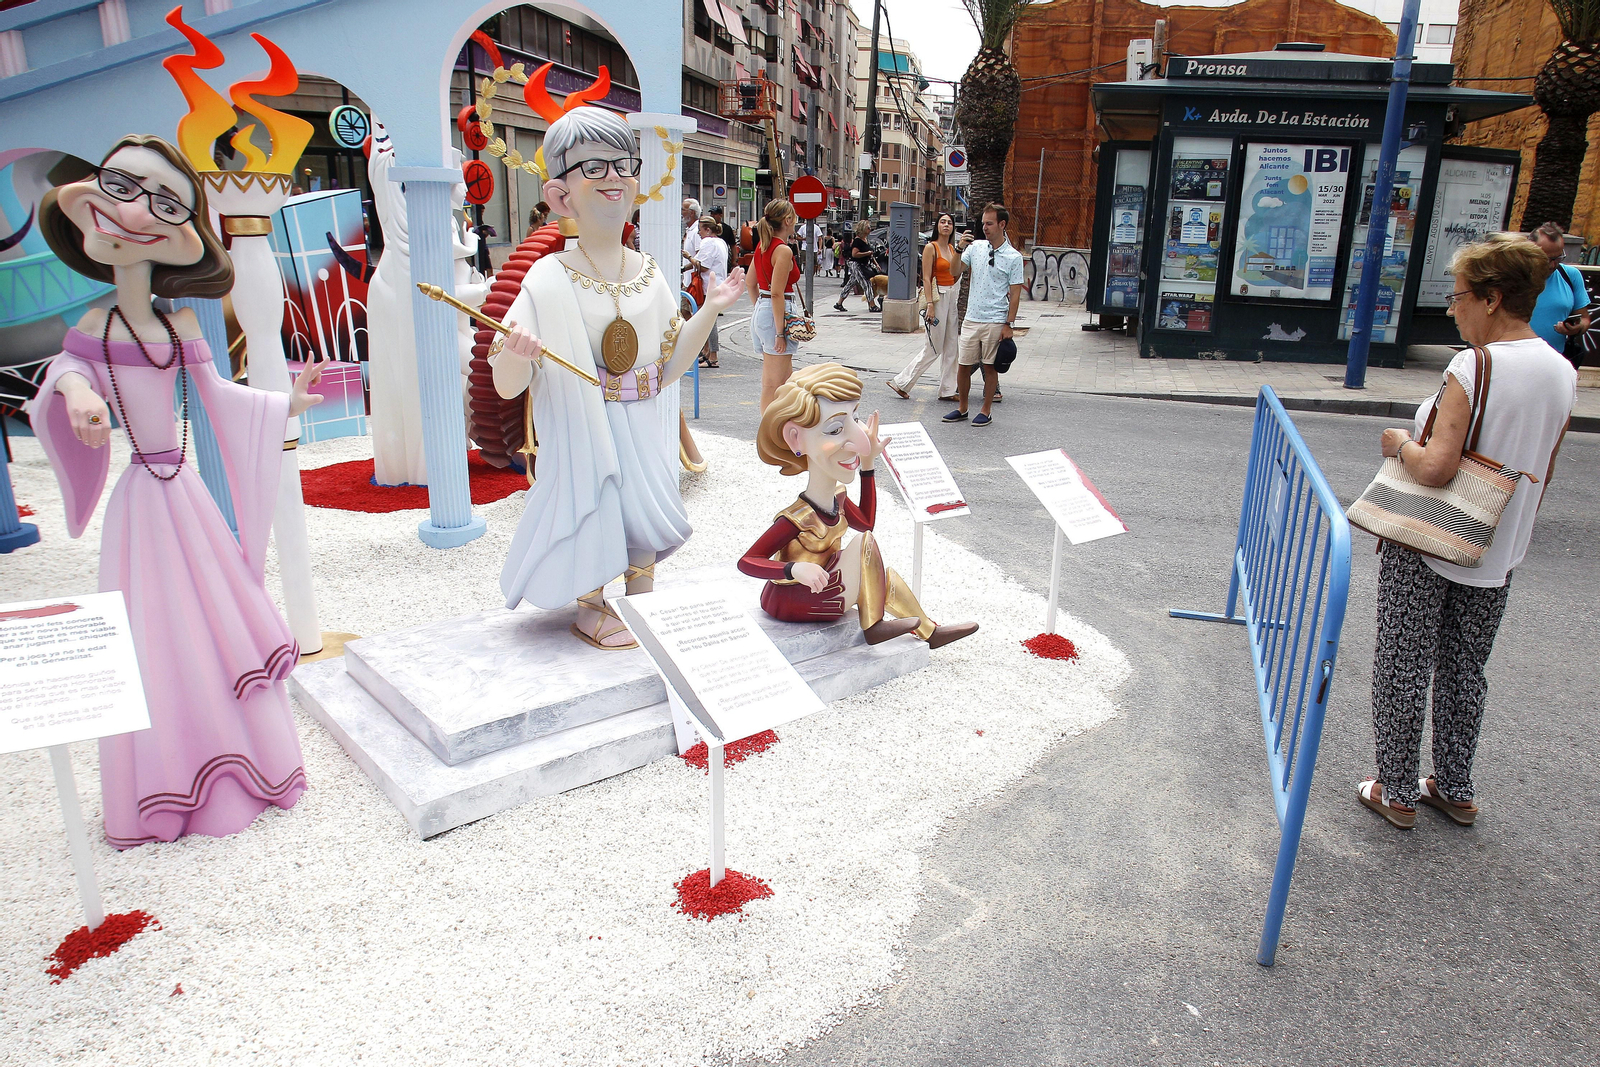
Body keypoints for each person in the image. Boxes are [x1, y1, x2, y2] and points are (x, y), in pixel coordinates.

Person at [29, 134, 326, 847]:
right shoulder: (92, 327)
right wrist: (76, 393)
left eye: (163, 202)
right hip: (141, 502)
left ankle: (244, 768)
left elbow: (218, 395)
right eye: (123, 189)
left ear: (183, 231)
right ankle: (166, 783)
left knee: (213, 621)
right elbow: (65, 374)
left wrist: (283, 404)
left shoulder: (181, 323)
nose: (138, 214)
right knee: (154, 634)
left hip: (183, 495)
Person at [493, 104, 744, 649]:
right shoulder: (548, 277)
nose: (614, 178)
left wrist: (711, 309)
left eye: (623, 165)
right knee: (595, 506)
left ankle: (643, 597)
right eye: (594, 167)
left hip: (644, 421)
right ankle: (591, 603)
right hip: (584, 429)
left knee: (641, 511)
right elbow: (507, 383)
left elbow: (669, 367)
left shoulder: (649, 272)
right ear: (560, 194)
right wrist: (516, 353)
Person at [1358, 233, 1576, 829]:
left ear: (1492, 298)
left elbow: (1436, 467)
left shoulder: (1475, 365)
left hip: (1432, 537)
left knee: (1403, 663)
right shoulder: (1561, 371)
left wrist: (1399, 443)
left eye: (1458, 297)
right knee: (1464, 669)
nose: (1452, 310)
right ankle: (1455, 786)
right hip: (1500, 545)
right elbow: (1546, 466)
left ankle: (1396, 791)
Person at [738, 362, 978, 648]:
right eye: (836, 429)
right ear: (795, 438)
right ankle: (873, 626)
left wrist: (868, 465)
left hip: (825, 585)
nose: (860, 441)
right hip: (794, 599)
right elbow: (747, 561)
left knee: (885, 579)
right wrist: (793, 570)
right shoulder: (797, 518)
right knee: (864, 545)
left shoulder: (837, 497)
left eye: (855, 418)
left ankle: (930, 632)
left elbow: (865, 522)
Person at [942, 203, 1024, 427]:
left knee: (990, 367)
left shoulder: (1014, 257)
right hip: (972, 317)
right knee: (963, 366)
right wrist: (959, 248)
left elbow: (1015, 295)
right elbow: (954, 272)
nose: (985, 228)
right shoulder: (975, 247)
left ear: (1002, 224)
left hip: (995, 319)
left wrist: (1009, 324)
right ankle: (962, 408)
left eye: (989, 223)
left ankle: (986, 411)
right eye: (983, 223)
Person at [889, 212, 960, 402]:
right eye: (943, 222)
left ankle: (948, 390)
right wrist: (930, 304)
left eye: (949, 222)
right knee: (933, 346)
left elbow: (956, 274)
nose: (946, 225)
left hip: (952, 295)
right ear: (937, 226)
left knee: (952, 346)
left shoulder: (952, 248)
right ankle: (902, 382)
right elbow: (926, 278)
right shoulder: (931, 247)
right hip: (937, 297)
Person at [745, 198, 802, 410]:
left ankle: (779, 425)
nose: (796, 222)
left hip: (765, 308)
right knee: (774, 384)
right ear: (787, 220)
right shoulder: (782, 250)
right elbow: (777, 293)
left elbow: (750, 282)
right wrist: (779, 332)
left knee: (784, 381)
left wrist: (761, 309)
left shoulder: (763, 246)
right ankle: (768, 428)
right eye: (794, 218)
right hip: (776, 312)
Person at [1527, 221, 1592, 362]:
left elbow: (1584, 318)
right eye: (1546, 259)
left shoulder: (1571, 276)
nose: (1552, 265)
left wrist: (1577, 328)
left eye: (1558, 258)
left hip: (1555, 361)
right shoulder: (1512, 276)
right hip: (1515, 361)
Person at [691, 214, 728, 368]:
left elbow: (703, 265)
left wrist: (689, 258)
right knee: (709, 319)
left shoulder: (708, 243)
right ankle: (708, 352)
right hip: (718, 284)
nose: (698, 233)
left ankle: (713, 356)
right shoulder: (721, 242)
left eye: (700, 229)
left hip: (709, 286)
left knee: (709, 321)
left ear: (707, 230)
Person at [835, 220, 879, 312]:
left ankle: (839, 303)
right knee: (866, 283)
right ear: (863, 229)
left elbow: (870, 254)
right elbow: (854, 254)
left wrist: (876, 264)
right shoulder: (857, 241)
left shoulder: (865, 240)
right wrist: (867, 253)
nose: (870, 229)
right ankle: (872, 305)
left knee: (850, 283)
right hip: (856, 264)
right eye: (868, 227)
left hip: (862, 264)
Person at [681, 195, 701, 289]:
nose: (681, 213)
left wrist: (683, 269)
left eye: (683, 210)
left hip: (693, 284)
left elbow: (699, 258)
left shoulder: (697, 231)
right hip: (688, 281)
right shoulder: (690, 230)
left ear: (692, 213)